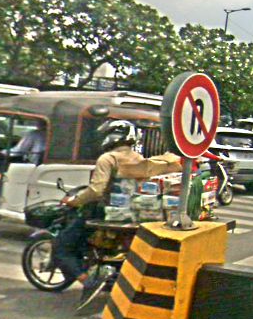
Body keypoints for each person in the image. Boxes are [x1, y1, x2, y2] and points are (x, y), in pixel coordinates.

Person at [58, 120, 182, 305]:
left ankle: (88, 280)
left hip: (104, 213)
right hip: (134, 213)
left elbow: (96, 190)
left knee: (62, 245)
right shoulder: (139, 159)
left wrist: (74, 201)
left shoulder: (107, 159)